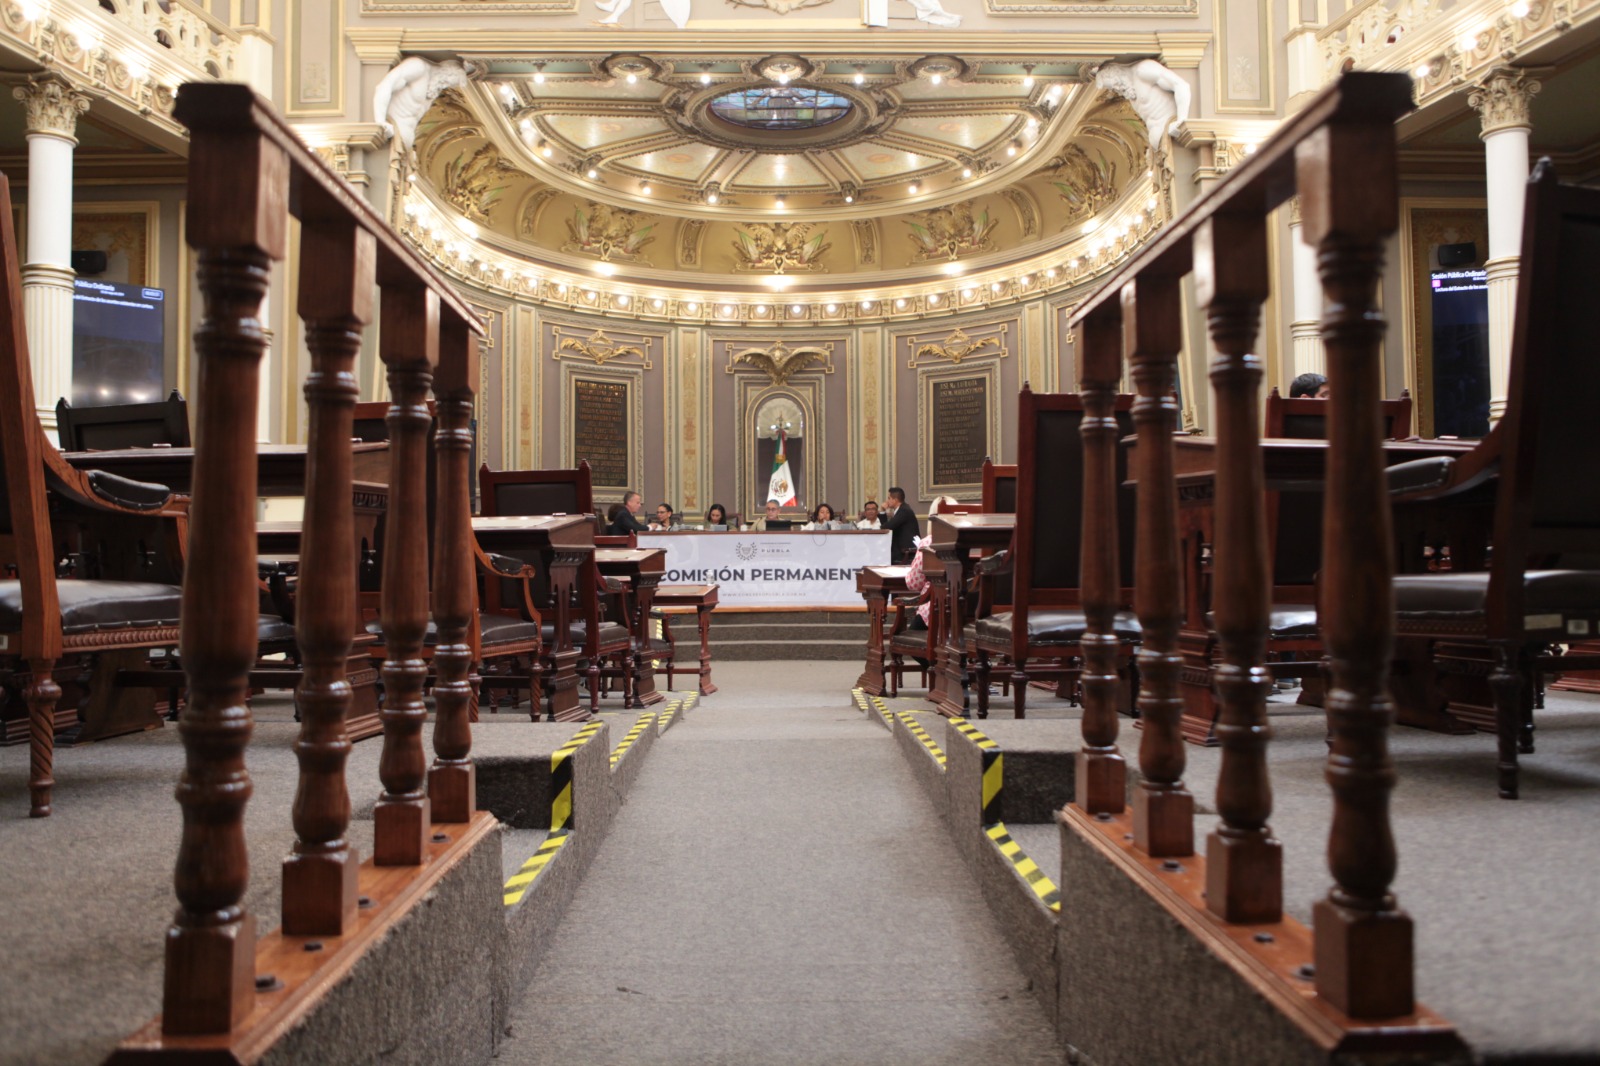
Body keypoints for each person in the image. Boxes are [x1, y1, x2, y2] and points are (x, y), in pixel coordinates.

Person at [883, 486, 920, 564]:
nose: (887, 501)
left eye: (889, 498)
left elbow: (887, 527)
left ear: (895, 500)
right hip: (902, 551)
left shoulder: (904, 510)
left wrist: (883, 511)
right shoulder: (902, 509)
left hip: (905, 553)